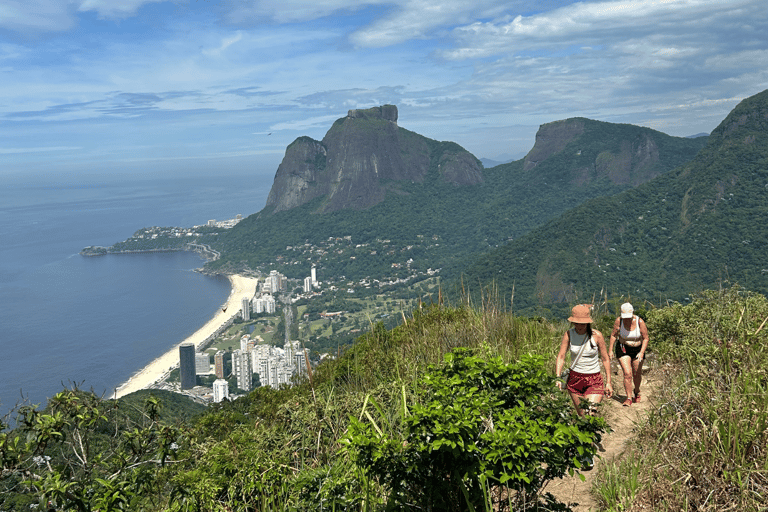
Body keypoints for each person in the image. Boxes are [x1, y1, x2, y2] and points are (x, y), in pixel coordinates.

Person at [556, 304, 613, 416]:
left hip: (594, 379)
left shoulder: (597, 336)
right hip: (575, 379)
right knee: (582, 416)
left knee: (590, 413)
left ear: (588, 322)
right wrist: (558, 377)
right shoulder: (569, 334)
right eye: (576, 323)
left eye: (582, 323)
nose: (579, 326)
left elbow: (605, 359)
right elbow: (561, 356)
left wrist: (608, 382)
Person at [609, 302, 649, 406]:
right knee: (627, 373)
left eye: (628, 317)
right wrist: (610, 350)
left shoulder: (640, 322)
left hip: (637, 349)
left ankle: (637, 391)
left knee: (636, 374)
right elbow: (613, 335)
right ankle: (628, 397)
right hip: (623, 347)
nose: (627, 319)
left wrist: (641, 352)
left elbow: (645, 338)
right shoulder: (619, 321)